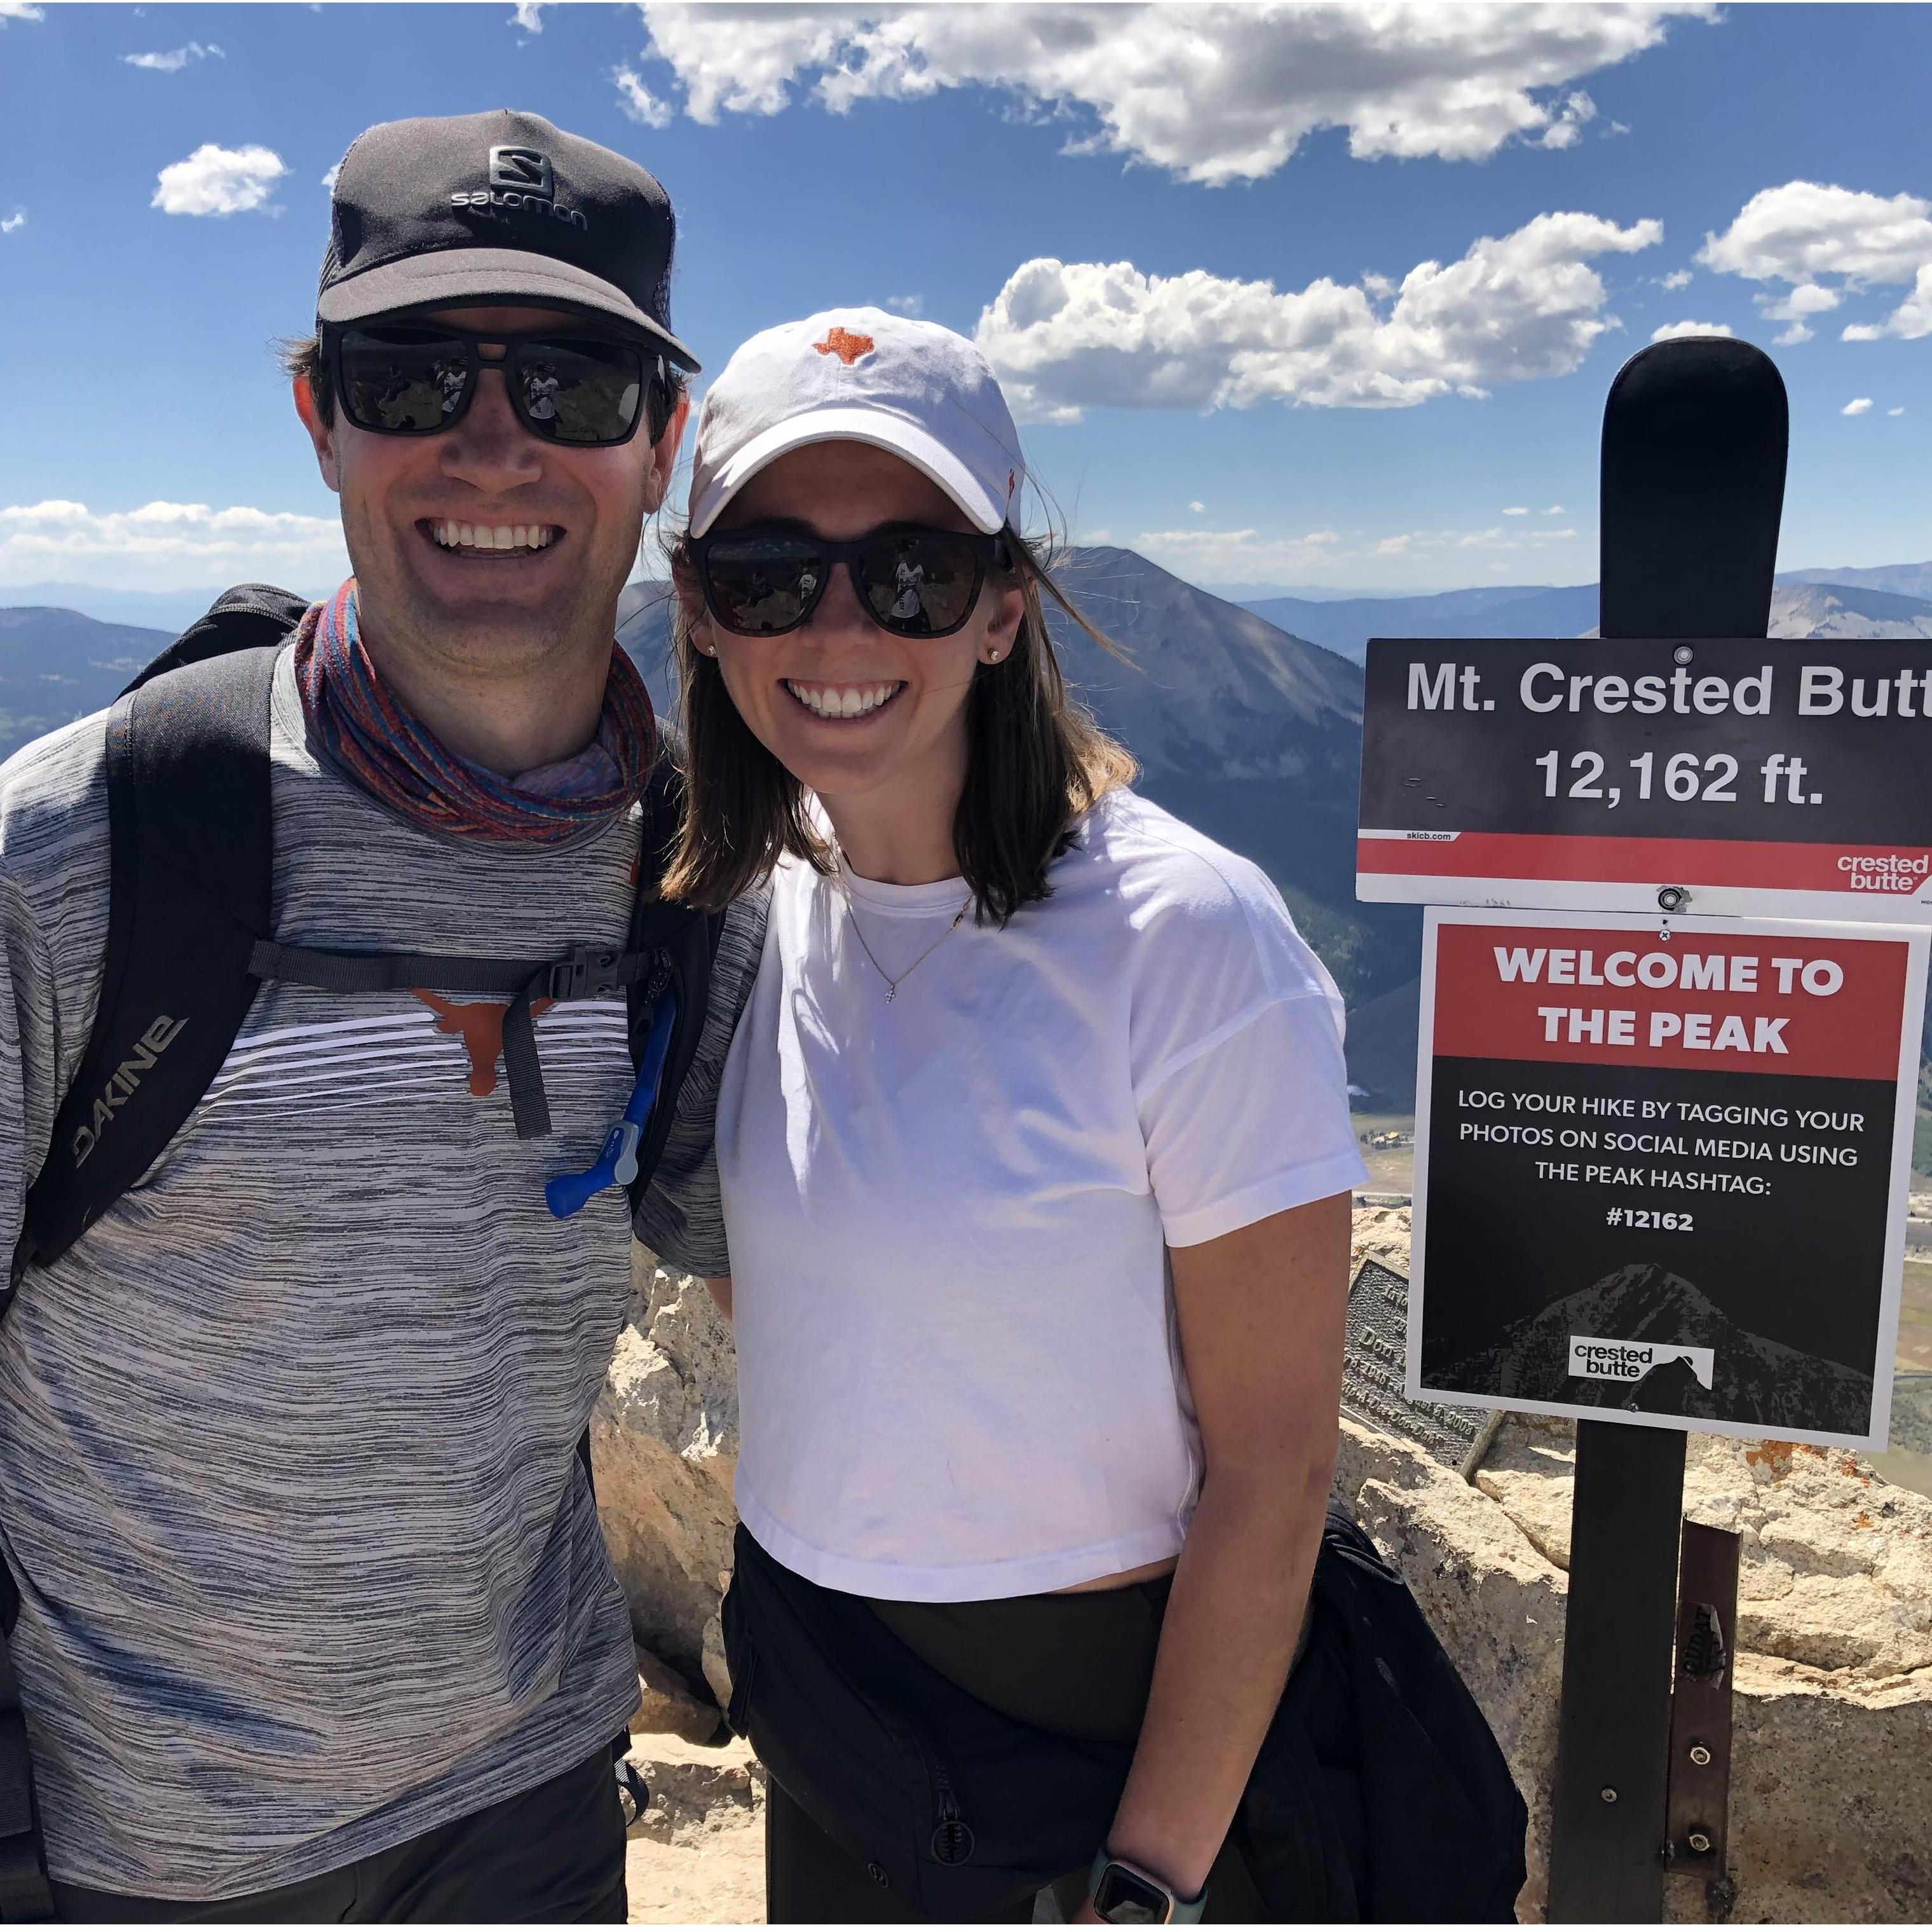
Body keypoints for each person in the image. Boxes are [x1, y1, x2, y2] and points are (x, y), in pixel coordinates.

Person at [0, 109, 752, 1919]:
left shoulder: (685, 883)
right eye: (415, 373)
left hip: (541, 1799)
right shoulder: (79, 853)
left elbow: (809, 1276)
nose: (492, 442)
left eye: (571, 381)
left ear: (660, 442)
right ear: (320, 415)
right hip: (149, 1852)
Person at [658, 309, 1370, 1922]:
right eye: (770, 572)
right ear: (701, 614)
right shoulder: (753, 911)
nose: (838, 629)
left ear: (1001, 609)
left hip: (1091, 1733)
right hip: (829, 1697)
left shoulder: (1185, 935)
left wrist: (1148, 1876)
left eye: (907, 569)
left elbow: (1275, 1460)